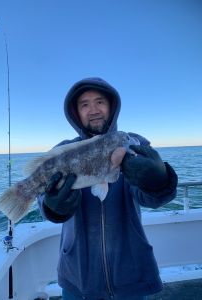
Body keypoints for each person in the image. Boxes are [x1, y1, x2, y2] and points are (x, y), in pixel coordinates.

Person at [38, 77, 178, 300]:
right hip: (78, 277)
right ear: (76, 112)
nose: (93, 110)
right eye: (84, 104)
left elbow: (151, 199)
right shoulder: (64, 150)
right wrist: (51, 206)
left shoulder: (133, 144)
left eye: (100, 102)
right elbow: (44, 194)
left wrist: (158, 181)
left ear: (112, 106)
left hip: (130, 276)